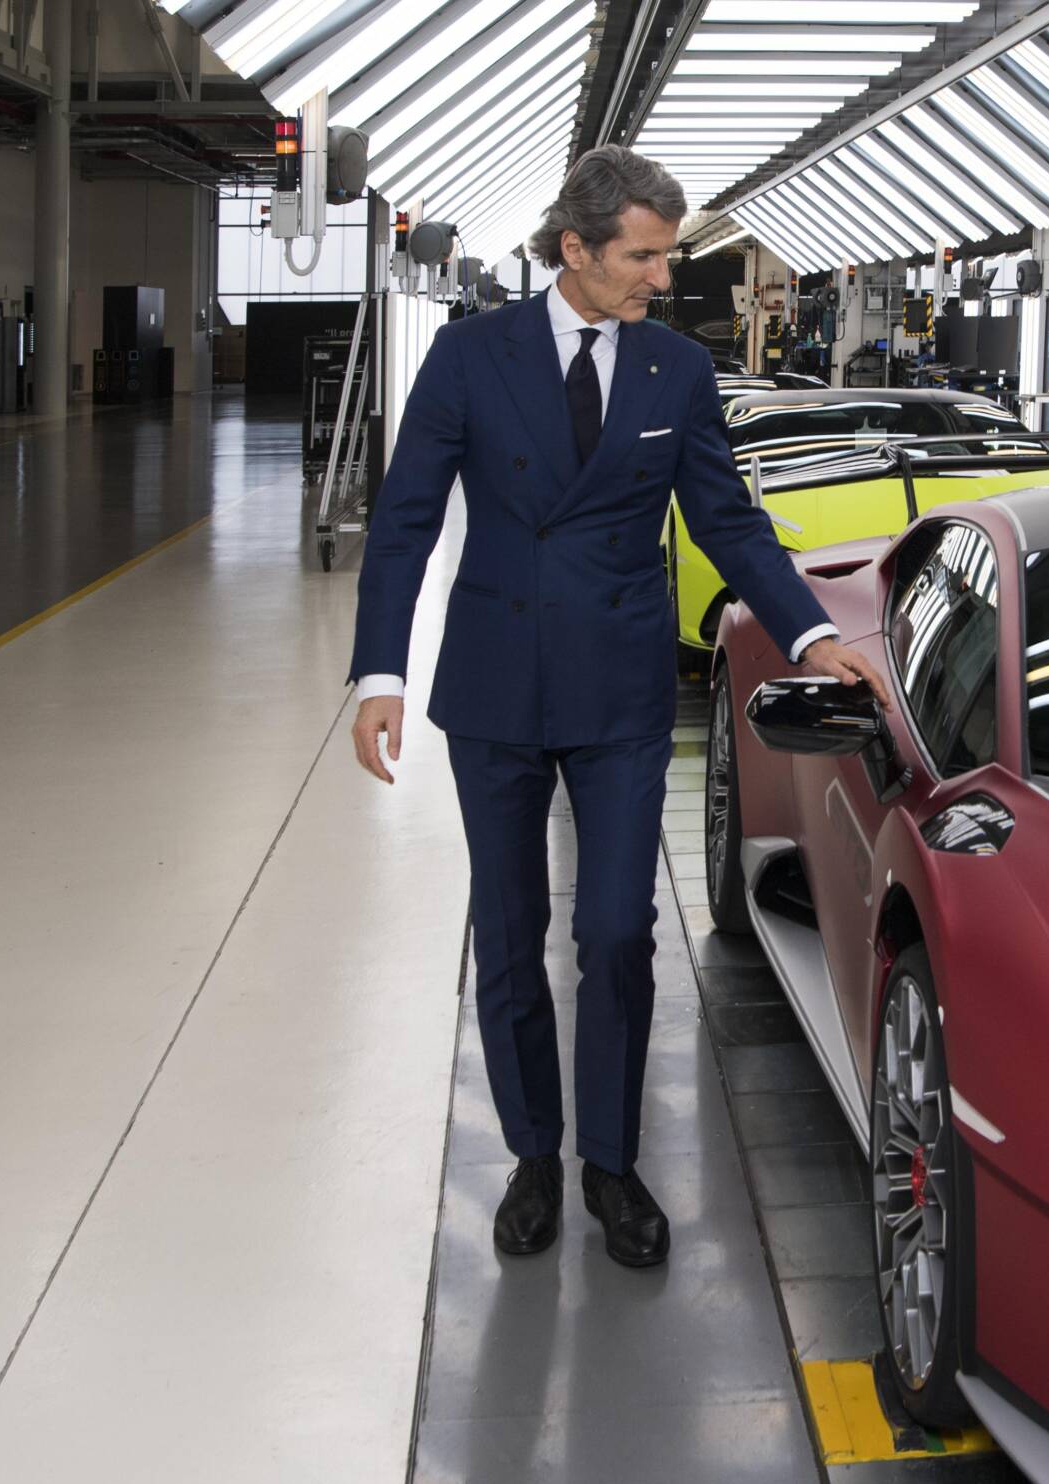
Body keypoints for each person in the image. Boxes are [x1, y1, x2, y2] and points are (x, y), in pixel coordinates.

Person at [345, 147, 890, 1268]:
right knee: (508, 934)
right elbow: (404, 521)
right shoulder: (466, 357)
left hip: (619, 692)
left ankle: (612, 1162)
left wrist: (813, 629)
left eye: (666, 255)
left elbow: (727, 520)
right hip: (494, 687)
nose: (660, 277)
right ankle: (534, 1156)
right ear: (575, 251)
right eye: (641, 256)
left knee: (614, 932)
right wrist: (380, 673)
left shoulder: (674, 372)